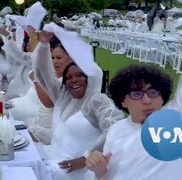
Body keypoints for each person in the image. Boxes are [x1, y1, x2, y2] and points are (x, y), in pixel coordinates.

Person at [86, 0, 182, 180]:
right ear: (123, 101)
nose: (147, 100)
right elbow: (109, 175)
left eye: (153, 92)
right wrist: (99, 169)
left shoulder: (174, 121)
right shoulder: (117, 131)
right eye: (138, 94)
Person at [32, 24, 124, 180]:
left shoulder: (97, 101)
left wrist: (87, 157)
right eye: (69, 77)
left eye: (80, 75)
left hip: (78, 173)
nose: (74, 80)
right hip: (52, 160)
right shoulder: (64, 96)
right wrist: (43, 44)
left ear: (90, 77)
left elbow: (116, 129)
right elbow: (42, 74)